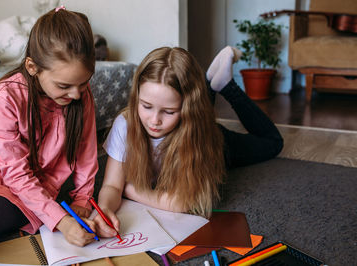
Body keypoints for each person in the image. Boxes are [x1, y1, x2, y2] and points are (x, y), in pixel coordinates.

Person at [93, 46, 284, 238]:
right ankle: (209, 84)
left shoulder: (198, 132)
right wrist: (105, 209)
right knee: (190, 104)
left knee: (273, 143)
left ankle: (226, 86)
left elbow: (180, 203)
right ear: (136, 98)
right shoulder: (125, 124)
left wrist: (129, 189)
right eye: (146, 106)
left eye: (168, 111)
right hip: (189, 113)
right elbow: (111, 186)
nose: (154, 121)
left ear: (186, 110)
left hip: (218, 142)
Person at [0, 7, 99, 253]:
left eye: (83, 83)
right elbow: (15, 172)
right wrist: (62, 220)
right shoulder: (2, 98)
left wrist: (82, 200)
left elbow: (87, 153)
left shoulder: (81, 96)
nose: (76, 94)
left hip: (32, 192)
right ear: (32, 67)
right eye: (64, 85)